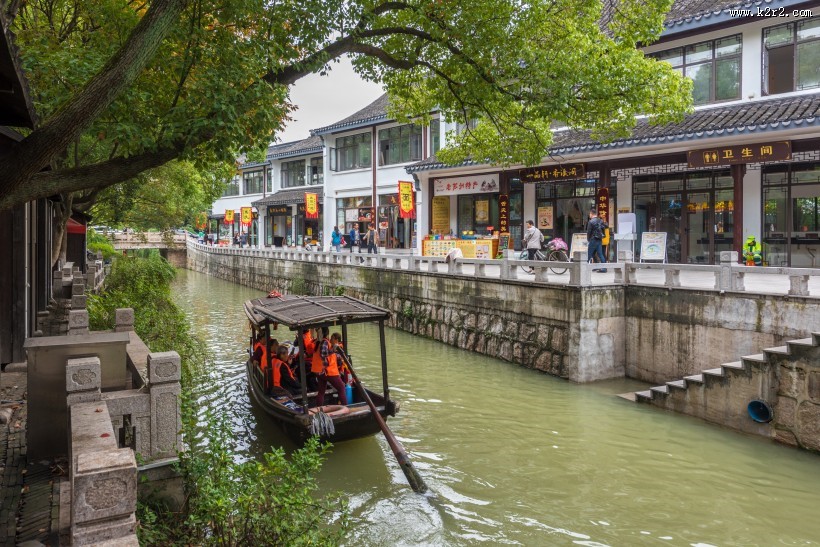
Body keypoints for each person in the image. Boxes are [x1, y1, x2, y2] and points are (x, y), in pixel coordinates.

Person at [312, 328, 347, 406]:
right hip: (327, 371)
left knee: (321, 391)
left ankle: (319, 409)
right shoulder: (324, 342)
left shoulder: (319, 342)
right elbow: (323, 354)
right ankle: (346, 407)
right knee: (341, 388)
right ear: (327, 334)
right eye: (330, 337)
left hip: (320, 371)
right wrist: (333, 351)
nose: (330, 339)